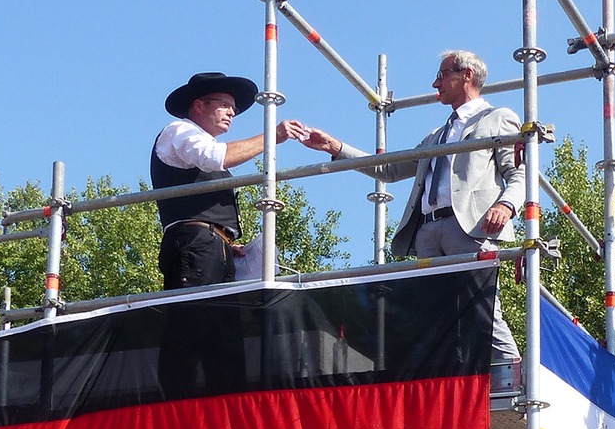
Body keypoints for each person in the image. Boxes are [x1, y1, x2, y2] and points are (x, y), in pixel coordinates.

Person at [302, 50, 525, 370]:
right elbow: (389, 170)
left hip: (469, 227)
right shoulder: (436, 136)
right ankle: (450, 382)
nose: (436, 83)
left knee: (480, 307)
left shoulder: (497, 118)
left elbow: (518, 172)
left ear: (467, 76)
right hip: (428, 232)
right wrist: (336, 148)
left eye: (443, 74)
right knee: (436, 317)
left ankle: (510, 372)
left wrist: (506, 204)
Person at [153, 71, 307, 290]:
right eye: (225, 105)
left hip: (210, 247)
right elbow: (216, 157)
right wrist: (272, 136)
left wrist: (224, 241)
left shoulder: (195, 139)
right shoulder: (179, 130)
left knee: (219, 319)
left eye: (233, 108)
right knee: (197, 317)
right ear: (199, 105)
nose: (232, 112)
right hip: (195, 244)